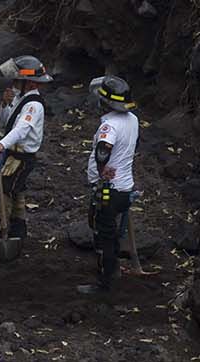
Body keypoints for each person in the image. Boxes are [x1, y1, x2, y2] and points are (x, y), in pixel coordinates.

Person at [79, 76, 140, 295]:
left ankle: (104, 284)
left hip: (109, 189)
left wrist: (102, 167)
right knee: (112, 233)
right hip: (124, 188)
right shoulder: (132, 120)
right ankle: (114, 271)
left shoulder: (109, 125)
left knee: (103, 235)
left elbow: (103, 149)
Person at [0, 55, 52, 240]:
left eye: (17, 81)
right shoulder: (21, 99)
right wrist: (5, 104)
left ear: (30, 83)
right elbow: (8, 122)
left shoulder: (33, 106)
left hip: (21, 158)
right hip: (14, 153)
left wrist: (1, 144)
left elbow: (22, 129)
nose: (14, 84)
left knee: (5, 191)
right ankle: (19, 231)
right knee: (17, 190)